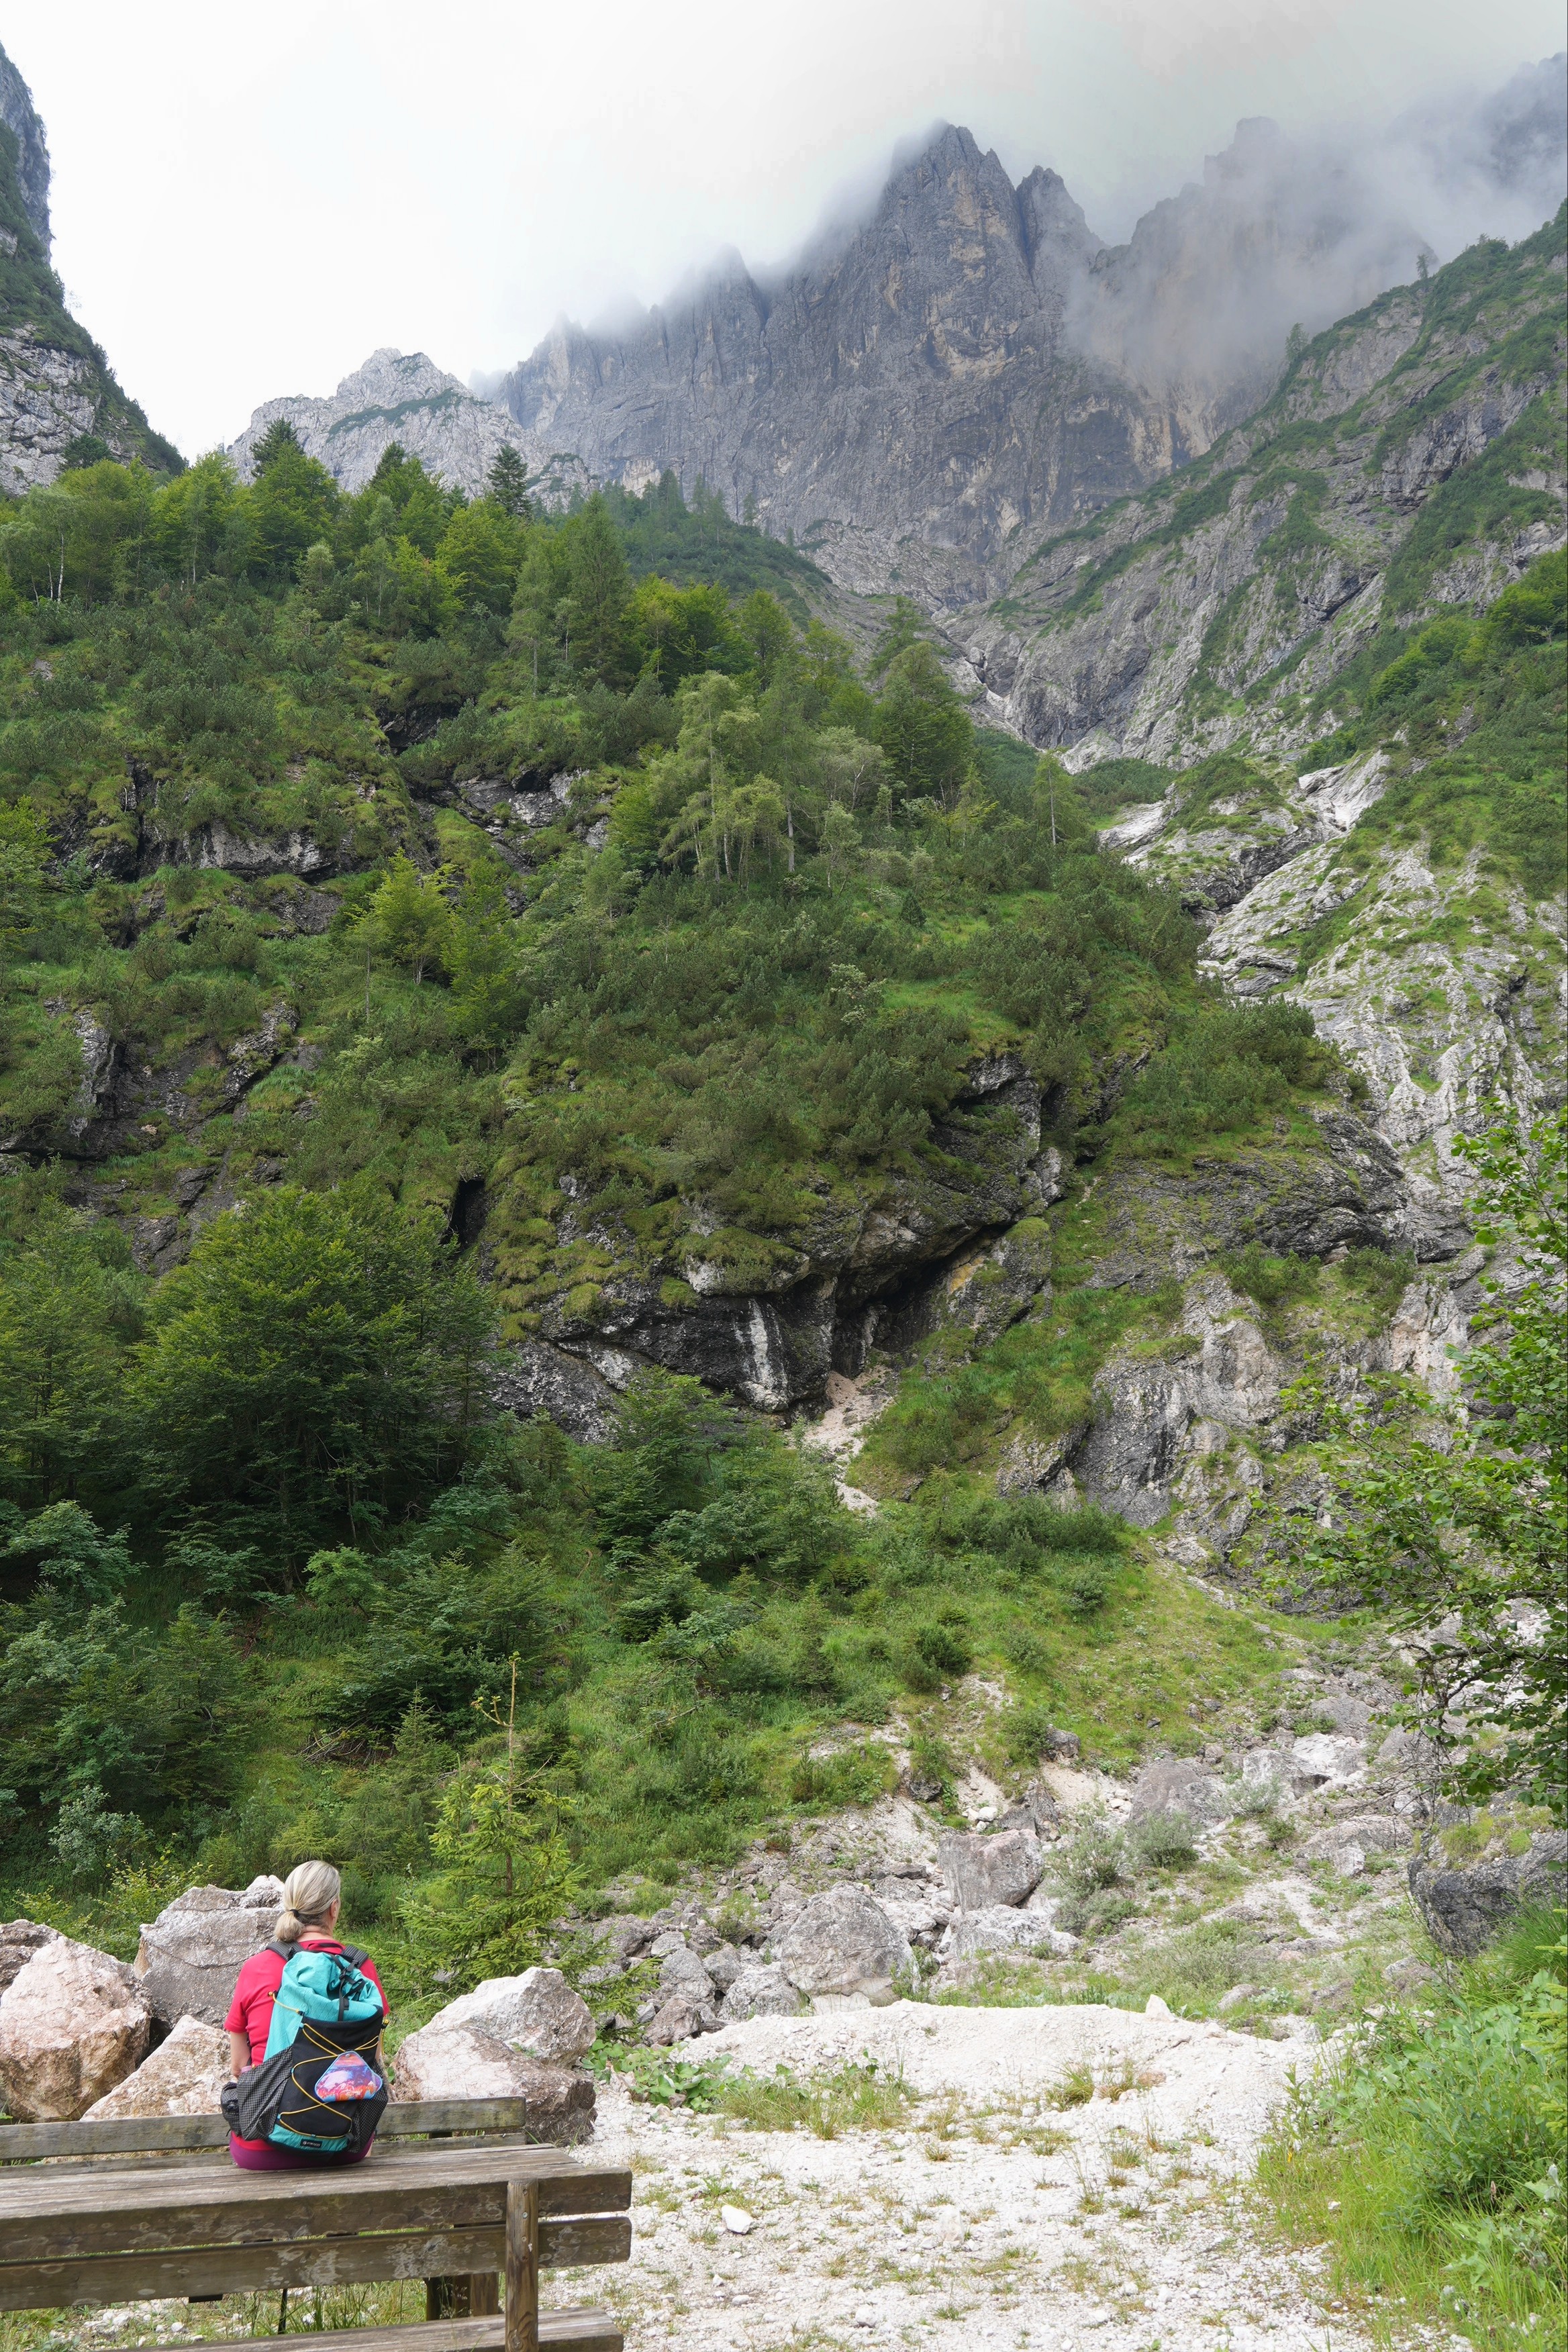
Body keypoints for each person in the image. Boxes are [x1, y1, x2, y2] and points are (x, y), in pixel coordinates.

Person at [224, 1859, 387, 2170]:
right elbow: (374, 2060)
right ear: (334, 1908)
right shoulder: (360, 1970)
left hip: (261, 2146)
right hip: (344, 2144)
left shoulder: (256, 1968)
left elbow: (237, 2066)